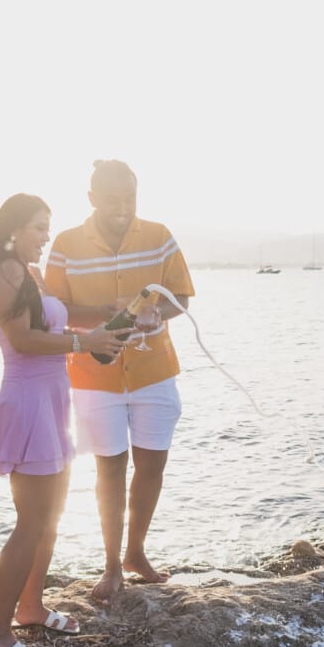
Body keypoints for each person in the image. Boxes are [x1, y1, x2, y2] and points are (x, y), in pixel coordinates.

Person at [0, 193, 126, 647]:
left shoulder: (31, 274)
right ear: (15, 228)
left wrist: (107, 313)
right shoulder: (5, 273)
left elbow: (62, 316)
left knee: (52, 516)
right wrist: (85, 342)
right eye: (39, 227)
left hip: (54, 401)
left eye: (48, 227)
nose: (46, 237)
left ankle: (30, 606)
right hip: (28, 404)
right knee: (31, 522)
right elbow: (24, 339)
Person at [44, 160, 195, 604]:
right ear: (92, 199)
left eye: (130, 199)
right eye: (113, 201)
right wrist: (109, 315)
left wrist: (155, 313)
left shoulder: (159, 236)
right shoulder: (67, 245)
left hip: (154, 373)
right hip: (94, 375)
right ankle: (111, 565)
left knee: (152, 466)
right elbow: (55, 311)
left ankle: (135, 553)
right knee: (110, 468)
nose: (123, 209)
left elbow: (181, 298)